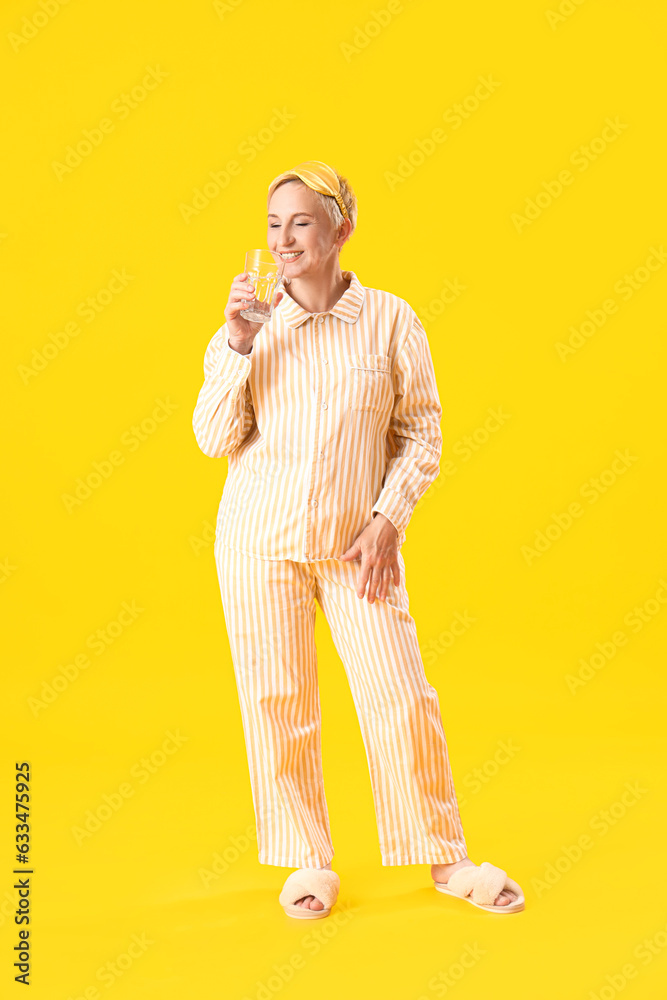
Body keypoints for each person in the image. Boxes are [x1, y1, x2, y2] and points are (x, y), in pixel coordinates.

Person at [192, 159, 524, 918]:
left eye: (301, 221)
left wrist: (386, 519)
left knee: (400, 694)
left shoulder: (391, 320)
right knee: (278, 702)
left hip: (357, 548)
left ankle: (445, 859)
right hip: (258, 542)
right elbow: (213, 440)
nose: (283, 239)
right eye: (273, 224)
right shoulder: (248, 330)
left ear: (340, 228)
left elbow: (421, 433)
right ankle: (307, 862)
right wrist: (237, 345)